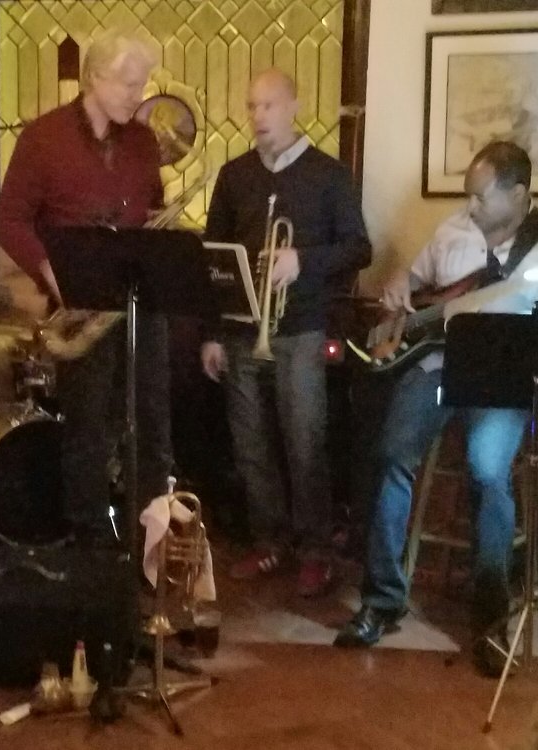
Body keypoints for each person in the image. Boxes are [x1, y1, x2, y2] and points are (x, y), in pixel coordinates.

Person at [333, 141, 538, 677]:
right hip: (437, 367)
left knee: (488, 470)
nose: (469, 206)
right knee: (390, 455)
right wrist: (399, 284)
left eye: (480, 197)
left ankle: (491, 613)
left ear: (517, 195)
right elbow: (412, 280)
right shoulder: (453, 231)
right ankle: (382, 599)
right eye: (468, 195)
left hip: (502, 383)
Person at [200, 68, 371, 596]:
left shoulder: (329, 175)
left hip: (300, 328)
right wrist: (211, 332)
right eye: (252, 106)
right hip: (239, 329)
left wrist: (303, 260)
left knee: (305, 444)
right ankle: (267, 540)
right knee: (250, 446)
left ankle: (315, 550)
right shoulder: (234, 175)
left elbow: (359, 248)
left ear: (294, 106)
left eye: (269, 105)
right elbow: (212, 258)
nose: (258, 116)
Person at [0, 29, 168, 547]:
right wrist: (52, 275)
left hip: (141, 302)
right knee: (87, 429)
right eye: (128, 85)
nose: (138, 96)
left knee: (152, 425)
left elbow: (153, 209)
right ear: (94, 77)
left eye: (142, 84)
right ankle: (90, 545)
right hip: (79, 306)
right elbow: (11, 222)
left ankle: (151, 543)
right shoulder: (42, 138)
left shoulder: (143, 141)